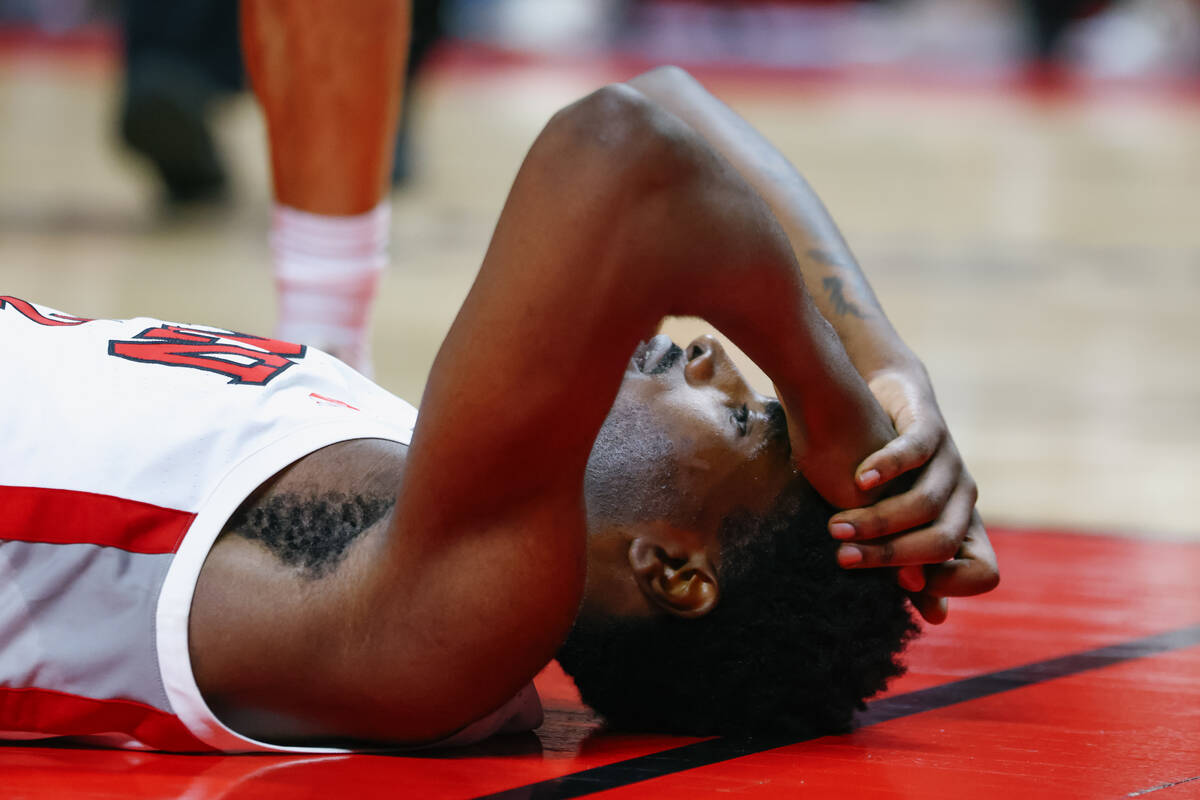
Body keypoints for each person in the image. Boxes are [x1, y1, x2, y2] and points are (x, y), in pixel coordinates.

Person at [0, 67, 997, 753]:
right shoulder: (412, 473)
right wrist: (887, 372)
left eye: (747, 422)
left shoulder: (457, 627)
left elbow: (625, 151)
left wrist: (830, 398)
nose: (712, 355)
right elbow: (669, 103)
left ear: (673, 567)